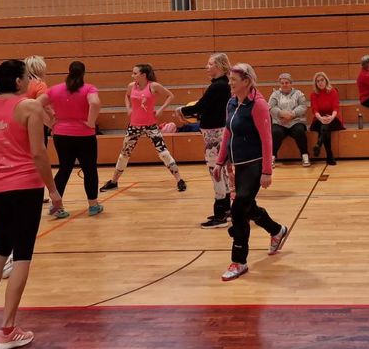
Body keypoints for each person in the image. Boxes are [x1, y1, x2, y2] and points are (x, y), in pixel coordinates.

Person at [0, 59, 63, 349]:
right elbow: (39, 153)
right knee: (22, 255)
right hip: (25, 188)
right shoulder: (29, 107)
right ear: (20, 82)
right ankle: (8, 329)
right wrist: (54, 191)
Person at [214, 63, 288, 281]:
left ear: (246, 81)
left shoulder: (259, 105)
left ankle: (239, 261)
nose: (230, 83)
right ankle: (277, 230)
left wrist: (267, 171)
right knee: (247, 206)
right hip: (238, 165)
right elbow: (228, 132)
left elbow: (267, 139)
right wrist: (220, 161)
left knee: (238, 211)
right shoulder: (231, 102)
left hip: (255, 165)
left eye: (233, 80)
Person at [100, 64, 184, 193]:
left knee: (163, 153)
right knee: (124, 154)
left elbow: (170, 96)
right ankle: (114, 181)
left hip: (151, 125)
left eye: (135, 73)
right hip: (134, 125)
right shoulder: (131, 86)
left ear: (143, 75)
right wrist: (128, 108)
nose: (132, 75)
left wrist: (161, 110)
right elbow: (127, 96)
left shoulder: (153, 86)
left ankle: (179, 180)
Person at [38, 61, 103, 218]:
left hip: (61, 135)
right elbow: (95, 103)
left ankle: (57, 207)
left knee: (64, 169)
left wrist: (49, 123)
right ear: (83, 73)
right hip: (84, 135)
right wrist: (91, 122)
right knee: (89, 169)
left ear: (69, 71)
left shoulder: (55, 89)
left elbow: (35, 104)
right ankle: (93, 205)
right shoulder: (89, 88)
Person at [180, 53, 233, 228]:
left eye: (210, 64)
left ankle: (220, 214)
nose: (207, 67)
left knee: (215, 171)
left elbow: (201, 106)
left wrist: (181, 111)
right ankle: (226, 210)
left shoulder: (218, 86)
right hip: (215, 131)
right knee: (221, 171)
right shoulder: (222, 84)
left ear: (219, 66)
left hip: (214, 134)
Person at [269, 73, 310, 167]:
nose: (284, 85)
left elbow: (303, 106)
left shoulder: (298, 93)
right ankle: (272, 156)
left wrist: (292, 114)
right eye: (282, 83)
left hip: (295, 121)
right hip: (280, 122)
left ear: (291, 83)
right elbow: (271, 107)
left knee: (299, 131)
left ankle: (305, 155)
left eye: (286, 82)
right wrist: (281, 113)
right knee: (275, 132)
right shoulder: (275, 94)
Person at [309, 72, 343, 166]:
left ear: (326, 81)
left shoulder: (333, 91)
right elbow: (315, 110)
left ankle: (319, 144)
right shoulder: (313, 94)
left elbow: (336, 107)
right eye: (318, 81)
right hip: (319, 119)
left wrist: (331, 117)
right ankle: (329, 155)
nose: (320, 83)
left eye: (322, 80)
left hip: (333, 118)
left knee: (325, 127)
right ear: (315, 83)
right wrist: (321, 118)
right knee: (324, 127)